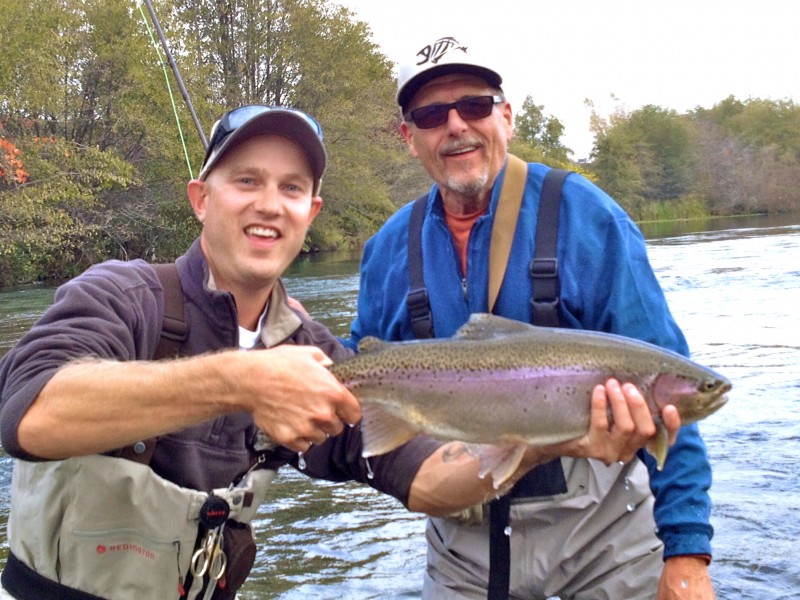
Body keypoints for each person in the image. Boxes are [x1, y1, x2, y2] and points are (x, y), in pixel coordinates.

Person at [0, 106, 445, 599]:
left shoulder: (311, 349)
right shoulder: (121, 295)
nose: (271, 205)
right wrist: (242, 381)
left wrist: (535, 436)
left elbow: (423, 476)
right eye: (247, 181)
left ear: (310, 212)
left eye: (291, 188)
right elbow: (29, 415)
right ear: (201, 200)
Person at [347, 36, 716, 599]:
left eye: (474, 105)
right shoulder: (387, 249)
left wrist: (687, 554)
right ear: (409, 137)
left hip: (603, 537)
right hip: (461, 544)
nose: (455, 126)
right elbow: (356, 389)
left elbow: (670, 396)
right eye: (430, 114)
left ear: (506, 115)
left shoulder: (586, 215)